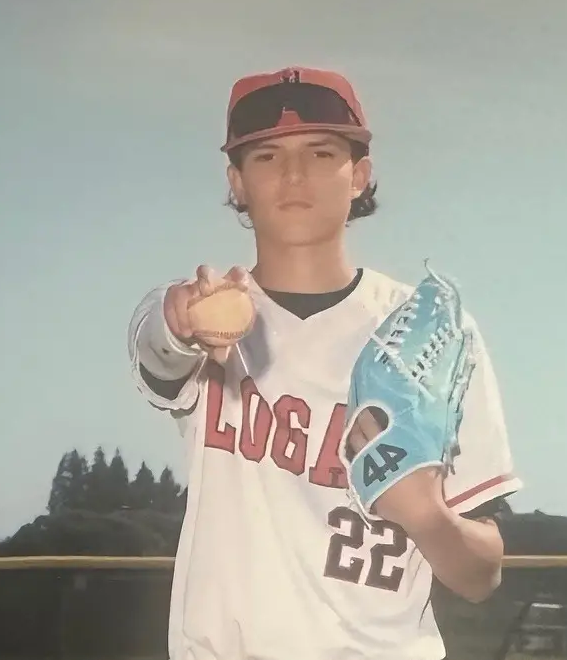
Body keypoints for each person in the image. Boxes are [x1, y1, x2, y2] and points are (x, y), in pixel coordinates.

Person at [127, 66, 522, 660]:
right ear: (237, 182)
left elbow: (481, 576)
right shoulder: (201, 313)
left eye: (320, 152)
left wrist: (425, 515)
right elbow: (160, 345)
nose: (293, 174)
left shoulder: (433, 336)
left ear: (359, 175)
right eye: (266, 156)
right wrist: (182, 322)